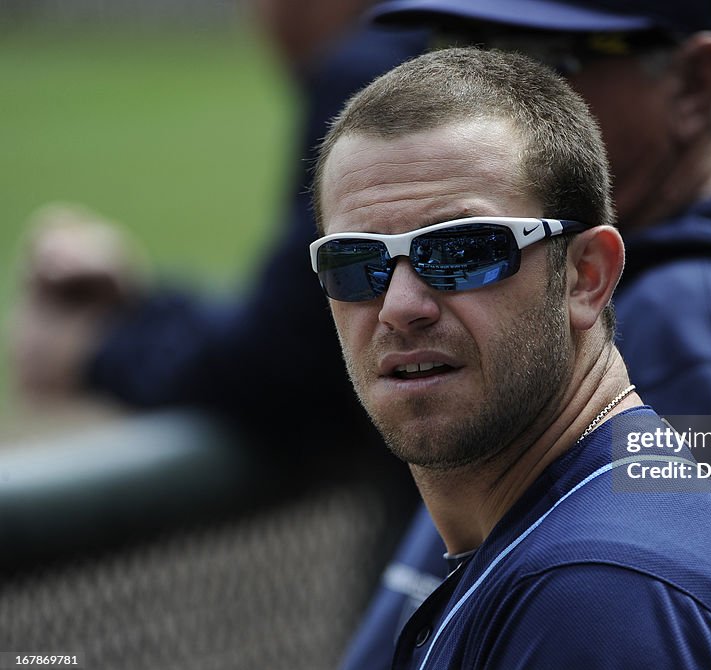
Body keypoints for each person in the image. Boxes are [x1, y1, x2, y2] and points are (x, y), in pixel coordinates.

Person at [337, 1, 711, 670]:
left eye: (538, 65)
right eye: (455, 50)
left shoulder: (691, 321)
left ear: (691, 86)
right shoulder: (609, 305)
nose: (477, 96)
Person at [9, 1, 427, 460]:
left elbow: (283, 362)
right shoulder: (440, 38)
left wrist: (91, 349)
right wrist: (143, 304)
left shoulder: (370, 68)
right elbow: (301, 313)